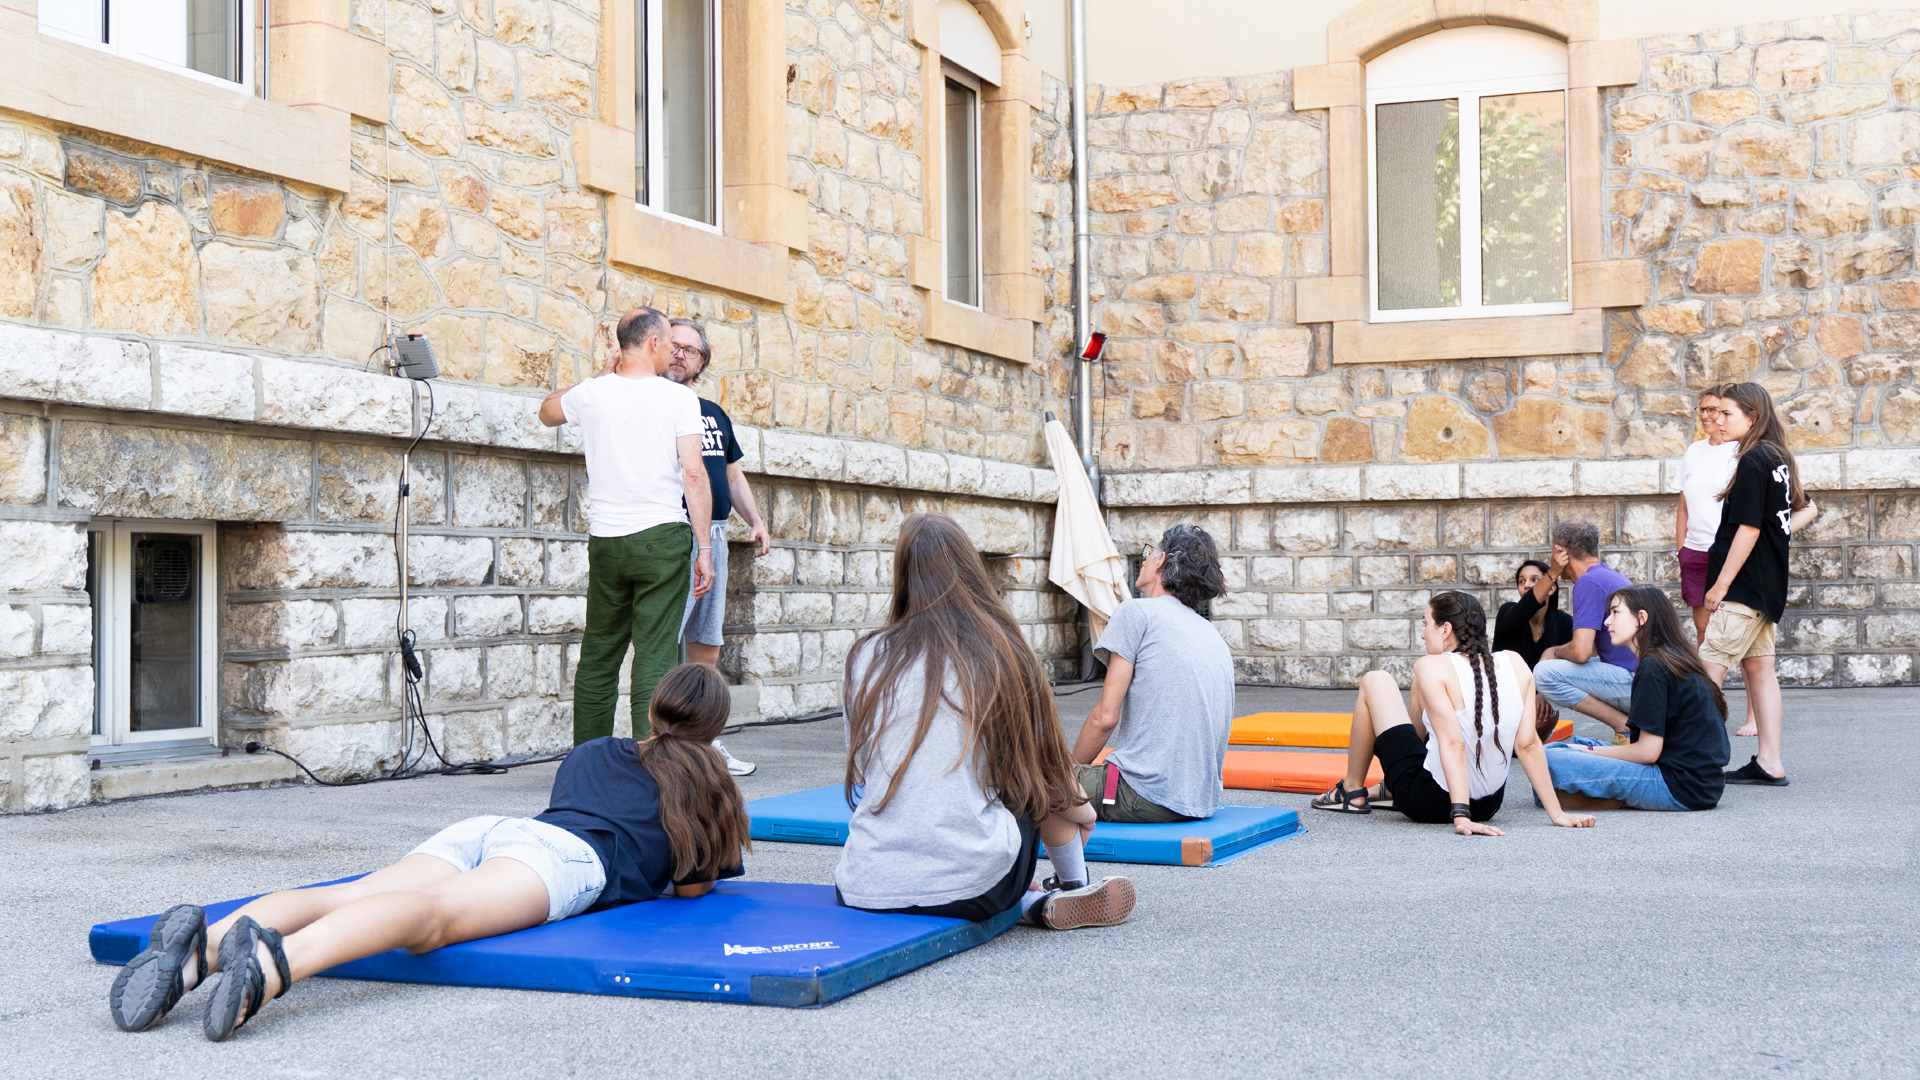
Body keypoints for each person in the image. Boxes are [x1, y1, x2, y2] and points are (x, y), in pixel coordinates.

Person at [106, 664, 750, 1040]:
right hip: (565, 860)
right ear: (714, 727)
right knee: (431, 919)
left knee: (356, 891)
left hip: (494, 830)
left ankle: (202, 951)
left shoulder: (596, 751)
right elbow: (692, 887)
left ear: (655, 706)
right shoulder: (707, 784)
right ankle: (275, 968)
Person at [834, 512, 1134, 931]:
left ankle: (1034, 901)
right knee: (1032, 784)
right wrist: (1083, 812)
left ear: (901, 576)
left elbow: (866, 766)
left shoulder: (864, 657)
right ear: (970, 570)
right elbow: (1043, 772)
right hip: (974, 888)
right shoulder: (1000, 652)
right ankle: (1070, 884)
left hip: (866, 884)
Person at [540, 307, 714, 744]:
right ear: (654, 344)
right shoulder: (679, 399)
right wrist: (705, 549)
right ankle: (652, 762)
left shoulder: (593, 393)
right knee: (655, 656)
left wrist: (597, 379)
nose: (673, 353)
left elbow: (546, 412)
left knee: (599, 655)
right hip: (661, 538)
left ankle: (588, 761)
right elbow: (694, 475)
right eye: (670, 344)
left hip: (606, 541)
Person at [1309, 591, 1594, 835]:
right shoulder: (1516, 663)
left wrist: (1461, 816)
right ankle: (1394, 785)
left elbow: (1453, 742)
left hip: (1432, 801)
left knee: (1375, 680)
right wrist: (1557, 814)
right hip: (1489, 804)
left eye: (1426, 624)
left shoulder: (1430, 665)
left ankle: (1352, 790)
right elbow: (1528, 744)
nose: (1423, 633)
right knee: (1422, 687)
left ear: (1445, 630)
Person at [664, 317, 772, 777]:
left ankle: (704, 744)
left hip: (718, 535)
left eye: (690, 349)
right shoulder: (652, 404)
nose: (679, 354)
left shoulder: (712, 412)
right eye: (673, 344)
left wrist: (756, 520)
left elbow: (731, 473)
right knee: (663, 642)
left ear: (701, 361)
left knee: (706, 645)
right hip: (673, 532)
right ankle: (662, 747)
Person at [1070, 525, 1235, 823]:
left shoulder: (1136, 612)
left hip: (1142, 794)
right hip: (1200, 801)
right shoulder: (1210, 633)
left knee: (1025, 781)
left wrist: (1064, 778)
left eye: (1149, 552)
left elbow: (1104, 719)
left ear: (1161, 560)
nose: (1145, 559)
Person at [1703, 382, 1813, 787]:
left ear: (1752, 417)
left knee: (1707, 670)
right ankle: (1770, 762)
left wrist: (1720, 585)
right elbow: (1788, 518)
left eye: (1726, 413)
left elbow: (1748, 529)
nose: (1718, 419)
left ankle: (1694, 762)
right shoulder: (1776, 456)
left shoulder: (1753, 460)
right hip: (1766, 586)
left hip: (1743, 587)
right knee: (1759, 669)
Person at [1543, 586, 1731, 811]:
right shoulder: (1667, 659)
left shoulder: (1654, 667)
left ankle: (1601, 797)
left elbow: (1647, 752)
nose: (1607, 622)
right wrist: (1586, 751)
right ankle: (1585, 791)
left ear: (1641, 618)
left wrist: (1591, 754)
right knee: (1569, 747)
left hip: (1678, 786)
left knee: (1549, 757)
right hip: (1700, 784)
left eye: (1615, 612)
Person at [1533, 521, 1638, 743]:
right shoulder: (1606, 576)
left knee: (1544, 673)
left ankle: (1624, 727)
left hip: (1635, 683)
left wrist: (1554, 653)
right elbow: (1591, 648)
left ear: (1560, 551)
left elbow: (1581, 652)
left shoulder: (1588, 582)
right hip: (1643, 681)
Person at [1676, 385, 1738, 642]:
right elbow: (1683, 507)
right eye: (1701, 409)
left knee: (1735, 631)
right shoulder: (1693, 451)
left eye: (1712, 409)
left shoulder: (1740, 452)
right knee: (1704, 629)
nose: (1704, 416)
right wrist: (1682, 550)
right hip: (1695, 553)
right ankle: (1707, 673)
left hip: (1729, 553)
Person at [1493, 559, 1575, 740]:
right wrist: (1553, 573)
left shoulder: (1564, 623)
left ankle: (1521, 744)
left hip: (1537, 704)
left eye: (1534, 580)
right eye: (1522, 581)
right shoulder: (1507, 613)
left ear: (1551, 589)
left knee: (1546, 713)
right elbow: (1525, 609)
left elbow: (1569, 667)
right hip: (1503, 700)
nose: (1527, 585)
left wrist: (1546, 692)